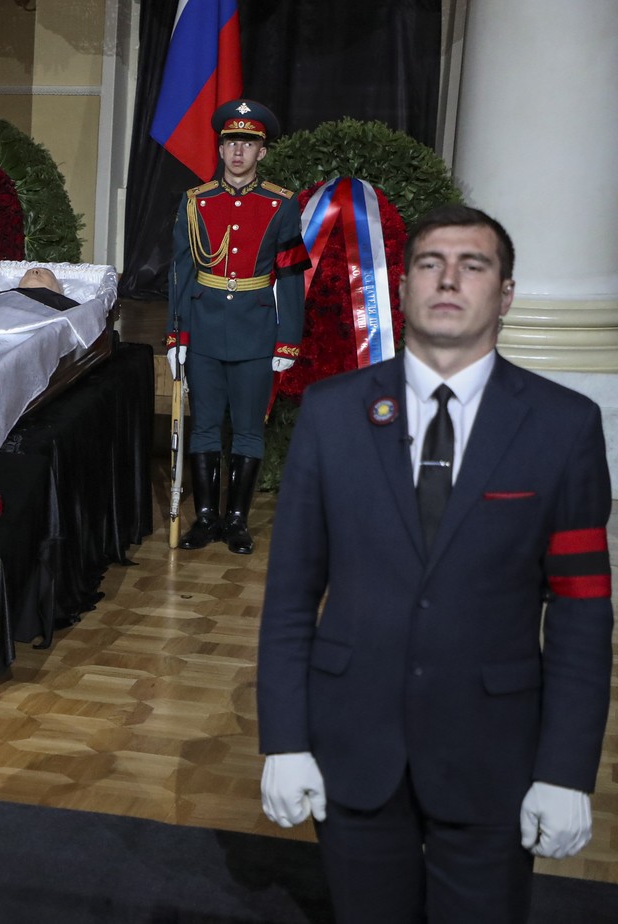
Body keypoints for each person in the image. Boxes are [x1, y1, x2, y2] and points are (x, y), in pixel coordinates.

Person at [256, 205, 612, 924]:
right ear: (405, 283)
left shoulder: (564, 427)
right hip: (352, 750)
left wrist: (566, 771)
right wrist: (284, 740)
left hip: (493, 760)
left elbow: (581, 613)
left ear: (504, 294)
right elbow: (291, 594)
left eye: (473, 265)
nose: (449, 279)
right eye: (430, 263)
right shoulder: (330, 415)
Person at [166, 99, 309, 554]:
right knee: (205, 426)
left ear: (262, 152)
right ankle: (205, 519)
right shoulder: (195, 203)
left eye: (248, 143)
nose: (238, 151)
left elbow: (289, 276)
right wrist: (177, 334)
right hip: (205, 330)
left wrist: (288, 339)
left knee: (248, 429)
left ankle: (237, 521)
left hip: (255, 331)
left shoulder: (281, 205)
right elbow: (181, 274)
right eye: (231, 142)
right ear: (221, 148)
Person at [0, 266, 79, 311]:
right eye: (27, 273)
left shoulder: (72, 309)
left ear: (58, 290)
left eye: (45, 272)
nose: (34, 271)